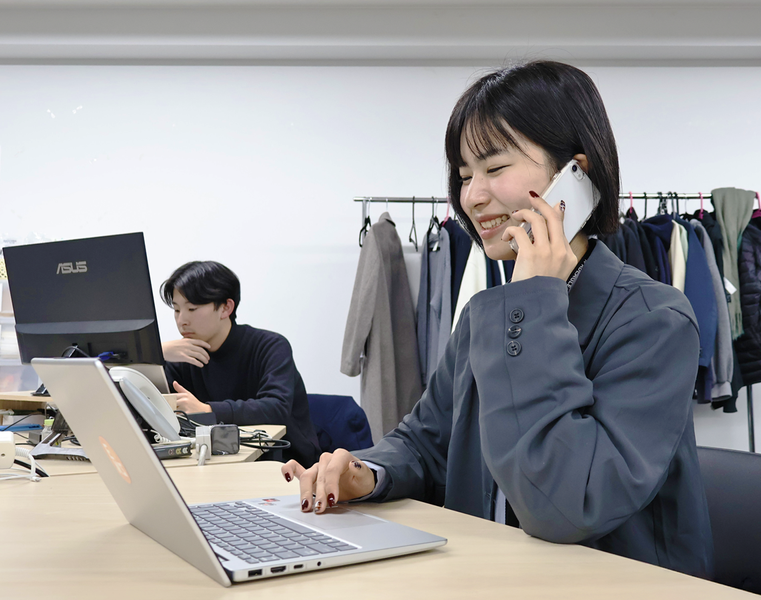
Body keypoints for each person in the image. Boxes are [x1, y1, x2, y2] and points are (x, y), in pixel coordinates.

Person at [282, 61, 714, 578]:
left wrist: (533, 302)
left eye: (494, 168)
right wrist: (367, 472)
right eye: (465, 176)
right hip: (490, 573)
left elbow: (566, 503)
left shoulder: (653, 320)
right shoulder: (484, 315)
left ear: (575, 175)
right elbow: (425, 440)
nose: (471, 196)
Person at [161, 260, 320, 467]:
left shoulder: (270, 346)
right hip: (215, 462)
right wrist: (158, 353)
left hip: (283, 462)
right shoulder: (180, 356)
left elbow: (276, 407)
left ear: (226, 308)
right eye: (176, 310)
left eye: (192, 308)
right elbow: (152, 409)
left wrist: (208, 410)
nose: (182, 320)